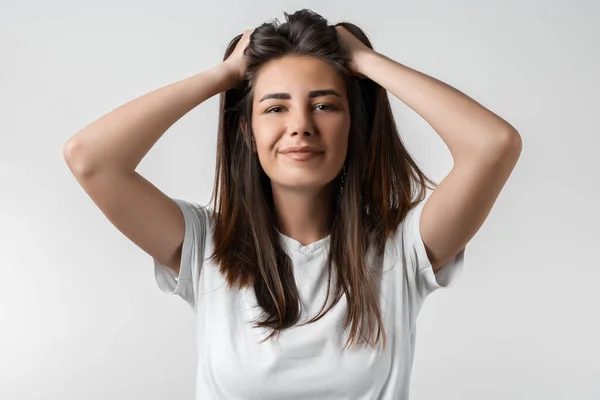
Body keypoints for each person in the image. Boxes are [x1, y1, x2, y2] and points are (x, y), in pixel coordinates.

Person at [63, 9, 522, 400]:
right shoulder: (204, 246)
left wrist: (365, 60)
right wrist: (224, 75)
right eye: (275, 108)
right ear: (247, 131)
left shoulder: (401, 248)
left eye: (324, 106)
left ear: (353, 125)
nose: (300, 126)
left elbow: (494, 145)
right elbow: (90, 159)